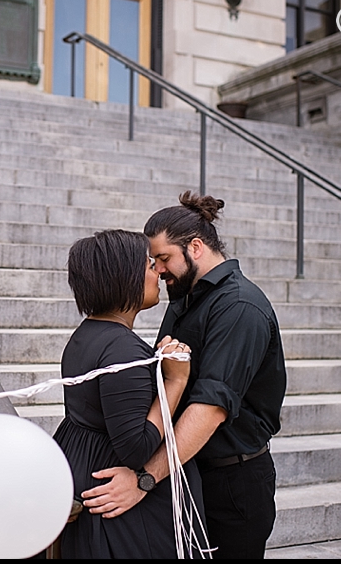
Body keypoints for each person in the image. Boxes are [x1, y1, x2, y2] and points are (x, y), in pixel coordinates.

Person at [80, 192, 286, 559]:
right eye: (153, 261)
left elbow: (209, 409)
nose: (157, 270)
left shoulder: (239, 306)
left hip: (231, 485)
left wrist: (144, 479)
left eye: (163, 258)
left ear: (195, 247)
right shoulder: (186, 297)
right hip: (186, 473)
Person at [50, 229, 198, 558]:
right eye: (148, 265)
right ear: (125, 278)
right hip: (113, 498)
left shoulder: (86, 333)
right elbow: (136, 447)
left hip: (83, 467)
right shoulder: (123, 349)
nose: (158, 271)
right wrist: (174, 381)